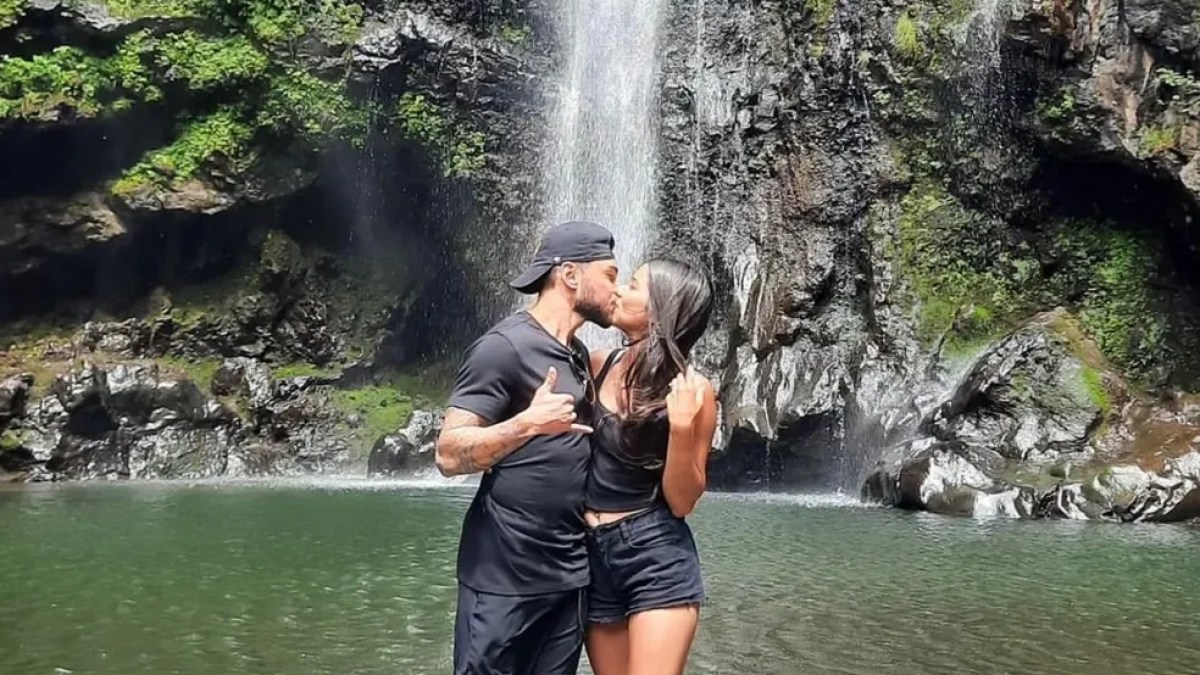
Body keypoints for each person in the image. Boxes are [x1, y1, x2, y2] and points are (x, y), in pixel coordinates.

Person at [435, 221, 619, 675]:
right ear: (570, 275)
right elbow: (448, 453)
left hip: (568, 574)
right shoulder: (503, 348)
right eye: (611, 274)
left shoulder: (576, 353)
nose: (617, 286)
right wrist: (525, 425)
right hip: (504, 575)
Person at [582, 258, 717, 675]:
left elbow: (682, 502)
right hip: (590, 553)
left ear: (661, 309)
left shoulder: (693, 390)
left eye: (634, 285)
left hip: (654, 553)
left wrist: (679, 428)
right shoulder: (597, 365)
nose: (619, 290)